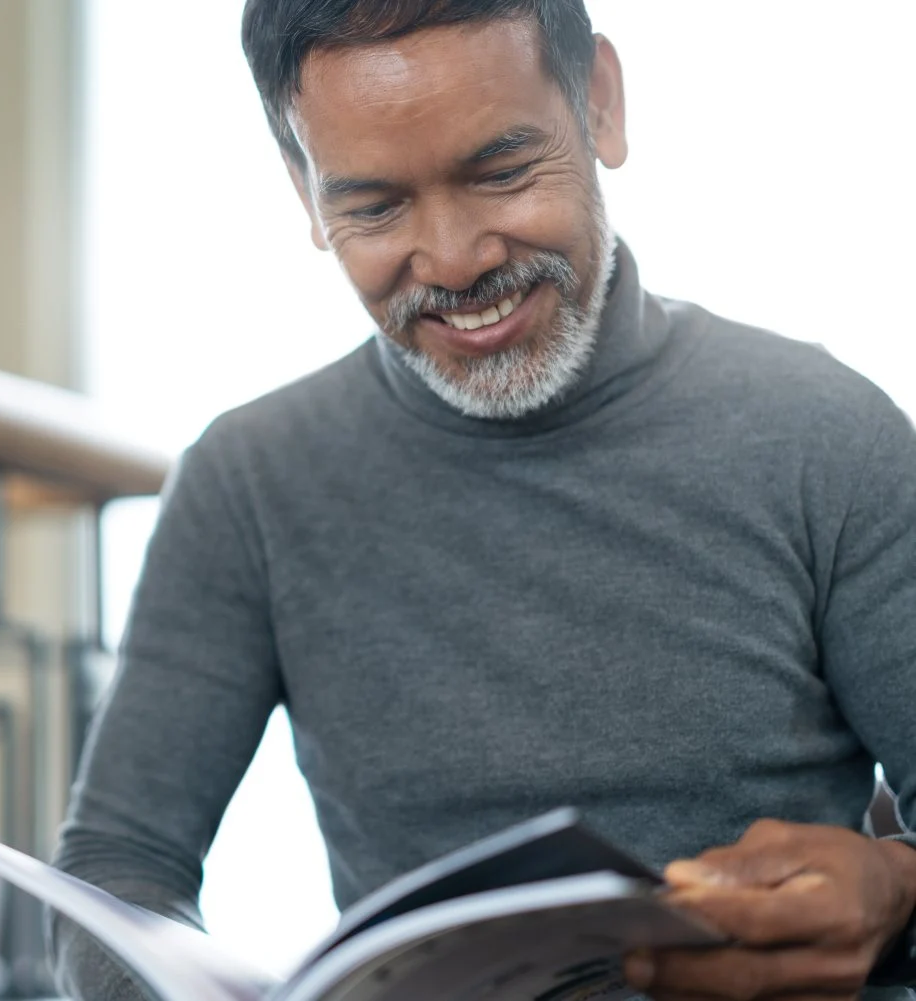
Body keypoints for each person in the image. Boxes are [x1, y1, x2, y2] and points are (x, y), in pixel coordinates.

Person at [50, 2, 916, 999]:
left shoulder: (825, 435)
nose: (455, 259)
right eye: (374, 208)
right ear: (303, 188)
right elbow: (119, 864)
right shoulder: (249, 480)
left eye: (502, 171)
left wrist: (896, 892)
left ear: (599, 103)